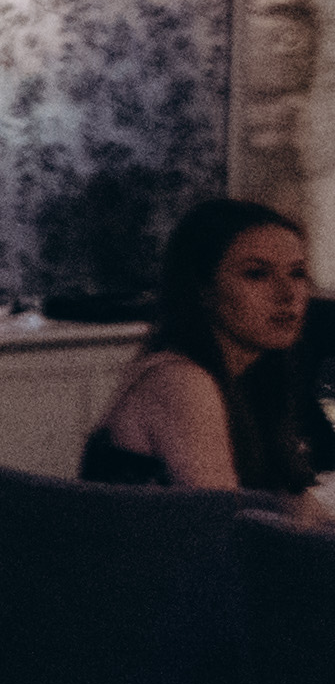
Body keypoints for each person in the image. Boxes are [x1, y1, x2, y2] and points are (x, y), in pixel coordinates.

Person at [85, 199, 330, 498]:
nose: (288, 294)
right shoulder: (180, 380)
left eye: (297, 273)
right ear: (203, 289)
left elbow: (293, 502)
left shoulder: (257, 375)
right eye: (257, 274)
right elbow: (223, 518)